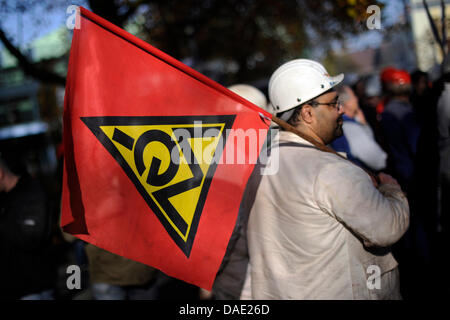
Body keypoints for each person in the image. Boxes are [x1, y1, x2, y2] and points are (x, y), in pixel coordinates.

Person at [245, 59, 410, 299]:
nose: (341, 109)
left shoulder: (260, 165)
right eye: (333, 103)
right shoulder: (330, 171)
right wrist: (391, 191)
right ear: (307, 112)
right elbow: (387, 228)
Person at [211, 84, 268, 300]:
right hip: (264, 276)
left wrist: (207, 273)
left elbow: (226, 231)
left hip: (240, 279)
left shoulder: (232, 163)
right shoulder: (275, 154)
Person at [0, 158, 57, 300]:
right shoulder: (5, 198)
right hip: (14, 288)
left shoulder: (31, 191)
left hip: (34, 287)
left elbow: (30, 237)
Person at [331, 85, 387, 172]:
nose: (357, 99)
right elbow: (378, 160)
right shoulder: (349, 127)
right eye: (354, 96)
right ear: (347, 103)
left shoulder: (340, 125)